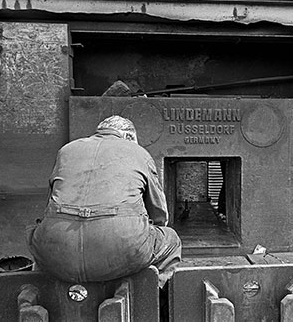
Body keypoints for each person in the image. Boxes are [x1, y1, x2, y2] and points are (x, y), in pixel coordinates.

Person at [27, 115, 181, 289]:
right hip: (122, 248)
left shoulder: (67, 150)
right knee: (172, 240)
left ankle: (50, 294)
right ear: (129, 137)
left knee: (39, 239)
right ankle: (145, 294)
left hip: (55, 249)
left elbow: (50, 204)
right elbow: (159, 213)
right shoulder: (138, 152)